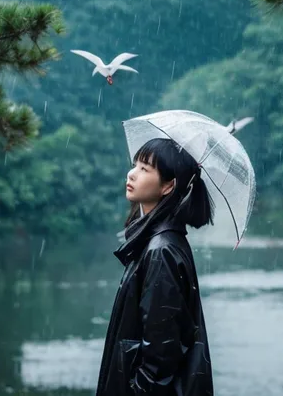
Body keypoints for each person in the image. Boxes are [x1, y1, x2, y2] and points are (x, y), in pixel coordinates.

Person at [95, 137, 215, 396]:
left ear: (168, 186)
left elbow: (161, 356)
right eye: (135, 165)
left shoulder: (162, 250)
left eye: (145, 169)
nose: (132, 173)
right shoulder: (156, 241)